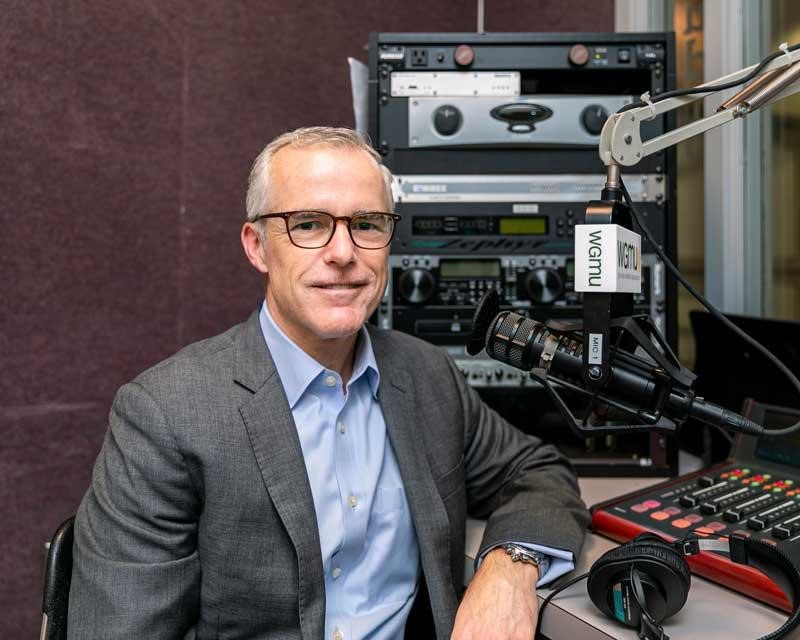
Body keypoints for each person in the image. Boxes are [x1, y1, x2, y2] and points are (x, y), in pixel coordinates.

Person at [68, 126, 589, 639]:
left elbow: (536, 471)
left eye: (366, 224)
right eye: (310, 225)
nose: (343, 254)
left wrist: (509, 567)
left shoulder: (426, 375)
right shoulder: (167, 414)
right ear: (258, 247)